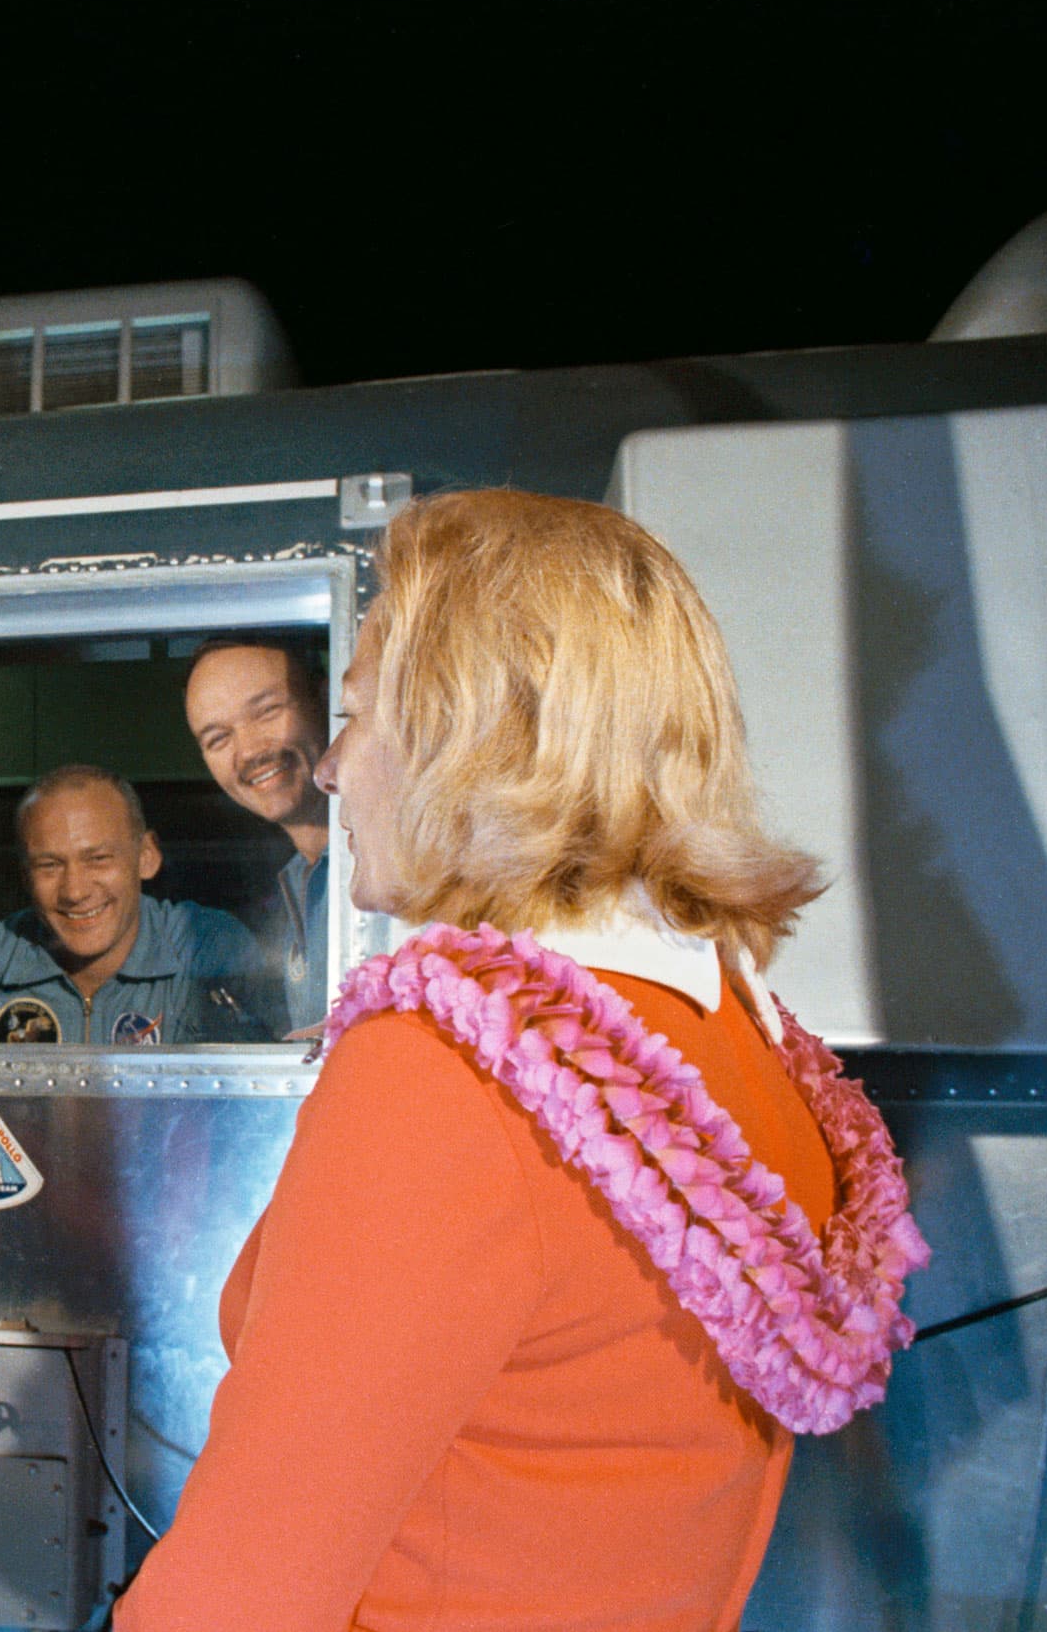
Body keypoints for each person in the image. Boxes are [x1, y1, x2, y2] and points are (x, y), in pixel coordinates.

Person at [116, 490, 929, 1630]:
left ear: (474, 733)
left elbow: (234, 1601)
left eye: (354, 714)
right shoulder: (738, 1047)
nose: (334, 767)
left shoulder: (448, 1074)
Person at [0, 764, 269, 1044]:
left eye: (98, 859)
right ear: (25, 874)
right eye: (49, 865)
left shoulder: (208, 947)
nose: (75, 891)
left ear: (146, 856)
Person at [183, 635, 332, 1035]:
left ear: (326, 698)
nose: (249, 751)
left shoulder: (397, 870)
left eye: (267, 711)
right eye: (218, 738)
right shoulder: (296, 880)